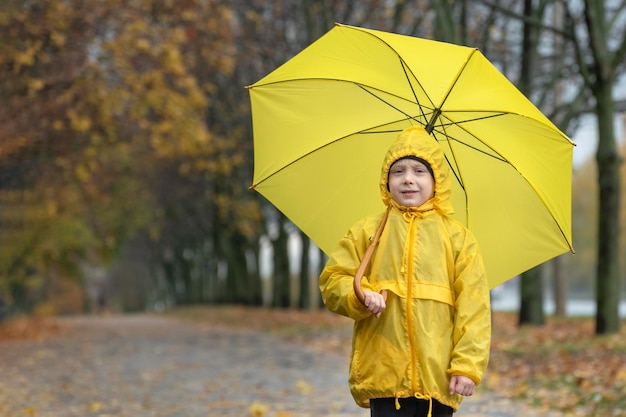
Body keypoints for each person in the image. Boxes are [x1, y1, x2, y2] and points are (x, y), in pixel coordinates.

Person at [319, 125, 491, 417]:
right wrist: (360, 294)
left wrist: (467, 366)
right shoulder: (368, 231)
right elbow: (333, 281)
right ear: (386, 180)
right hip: (383, 372)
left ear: (437, 181)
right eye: (398, 171)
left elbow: (474, 308)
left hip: (437, 377)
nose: (408, 179)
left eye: (419, 171)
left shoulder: (458, 239)